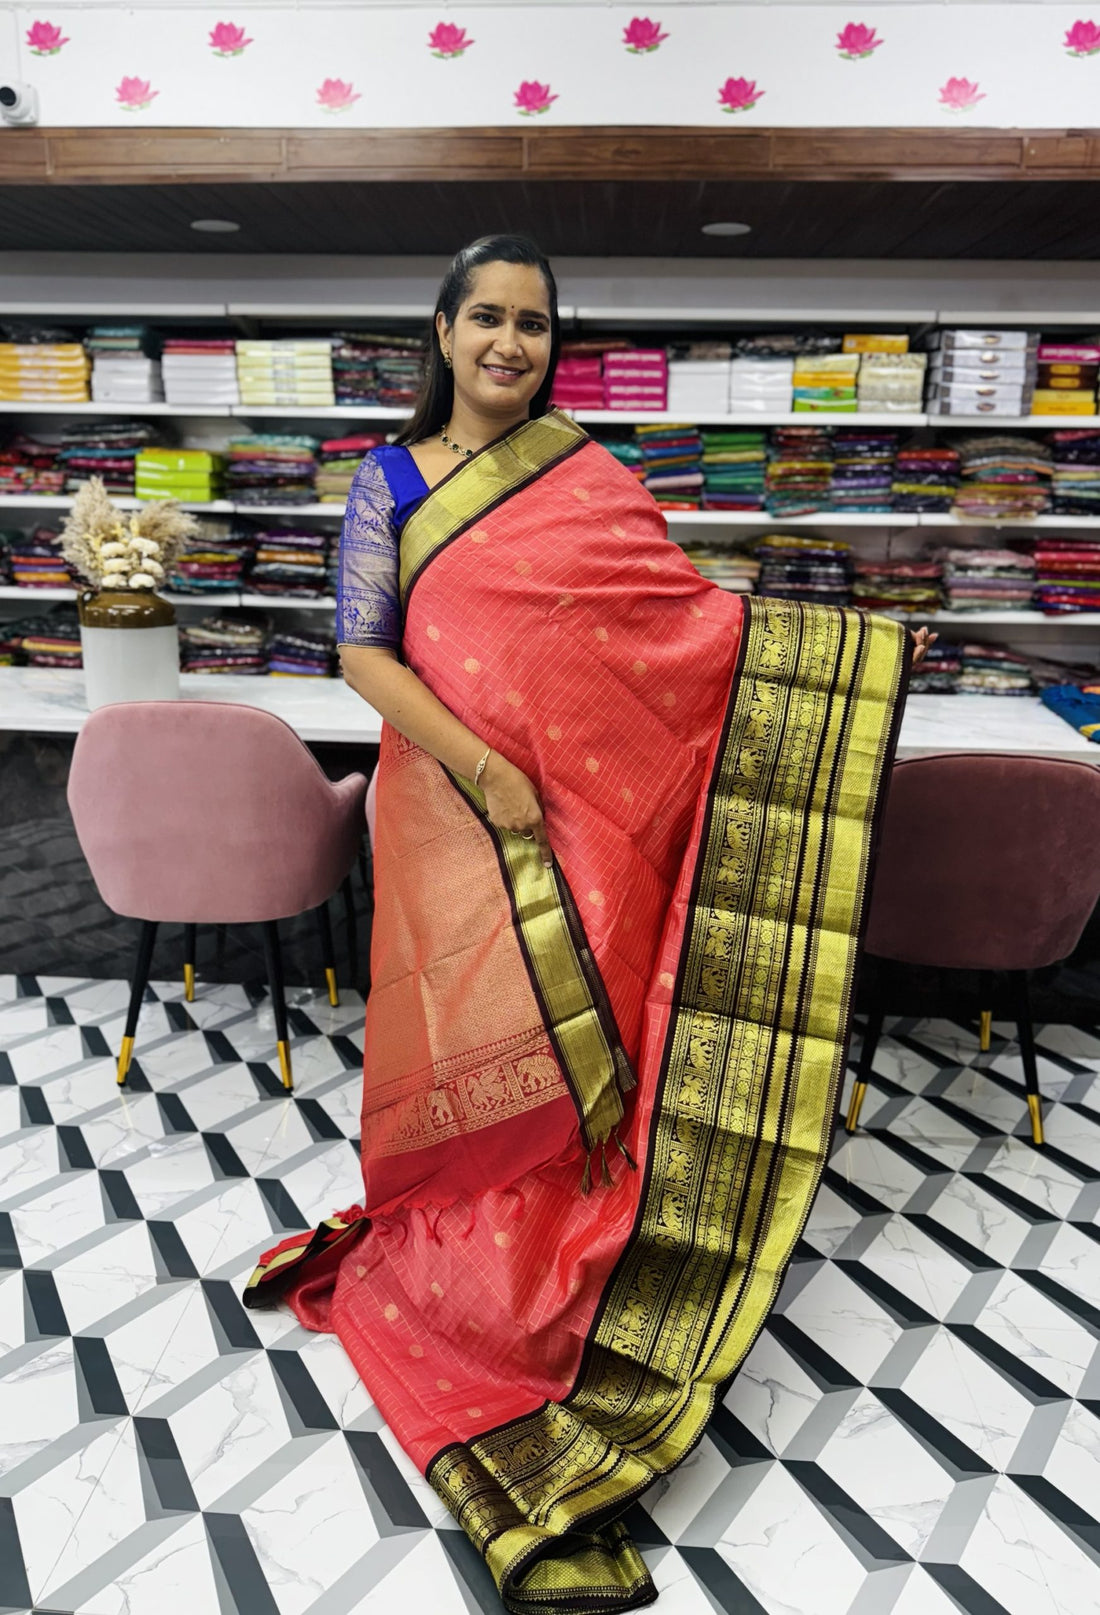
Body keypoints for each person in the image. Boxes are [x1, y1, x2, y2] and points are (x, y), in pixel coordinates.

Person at [244, 235, 925, 1613]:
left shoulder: (593, 477)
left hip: (593, 817)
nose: (511, 342)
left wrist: (834, 658)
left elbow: (679, 631)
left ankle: (576, 1267)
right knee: (478, 1038)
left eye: (535, 323)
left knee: (588, 1043)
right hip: (452, 815)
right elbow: (363, 649)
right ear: (443, 332)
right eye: (487, 317)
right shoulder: (388, 483)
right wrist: (483, 765)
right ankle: (477, 1269)